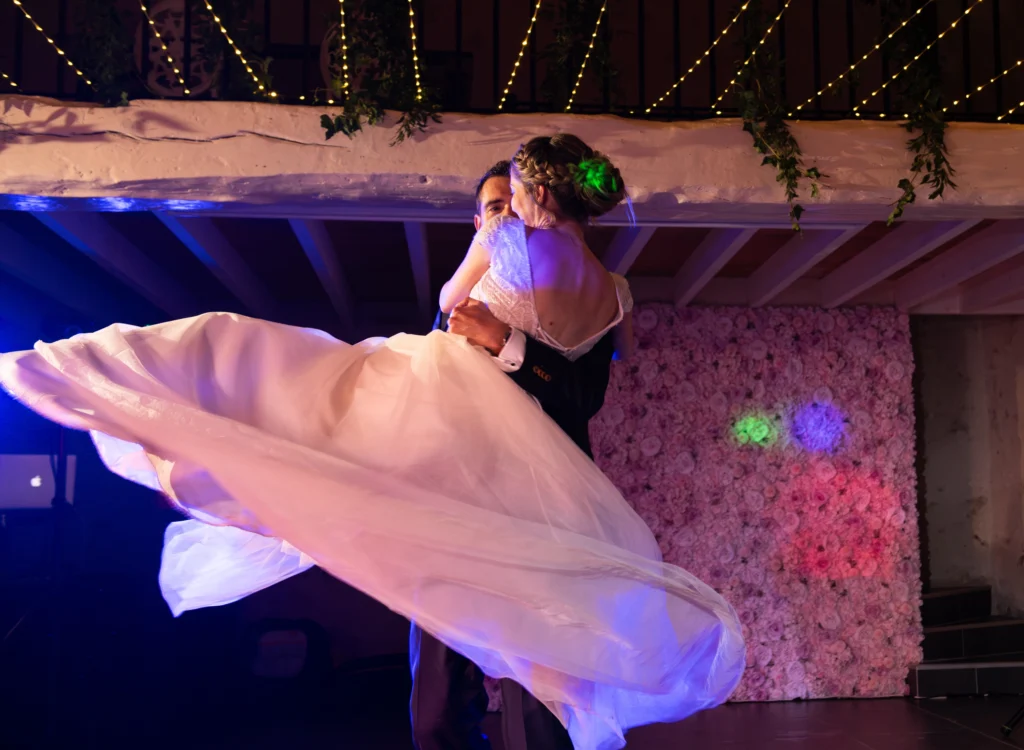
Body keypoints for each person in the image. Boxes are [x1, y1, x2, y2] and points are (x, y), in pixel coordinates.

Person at [0, 134, 745, 750]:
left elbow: (467, 317)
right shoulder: (614, 293)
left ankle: (97, 374)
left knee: (551, 664)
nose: (497, 211)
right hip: (457, 488)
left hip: (531, 489)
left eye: (505, 196)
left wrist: (504, 334)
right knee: (458, 674)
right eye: (491, 205)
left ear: (533, 194)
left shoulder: (515, 243)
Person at [410, 159, 619, 750]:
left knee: (542, 714)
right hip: (455, 514)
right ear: (480, 222)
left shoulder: (586, 293)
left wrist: (506, 342)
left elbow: (584, 396)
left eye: (516, 203)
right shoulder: (458, 299)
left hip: (544, 514)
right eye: (496, 208)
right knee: (435, 714)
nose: (511, 215)